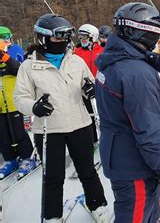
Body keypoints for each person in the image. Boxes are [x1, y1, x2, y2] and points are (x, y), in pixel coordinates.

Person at [13, 14, 109, 222]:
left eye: (66, 38)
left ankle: (98, 204)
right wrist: (34, 107)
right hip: (49, 129)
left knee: (87, 170)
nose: (64, 42)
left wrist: (90, 90)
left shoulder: (76, 61)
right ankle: (52, 215)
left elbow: (90, 84)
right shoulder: (28, 67)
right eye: (58, 38)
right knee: (53, 176)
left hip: (79, 124)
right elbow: (20, 98)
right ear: (43, 39)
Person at [94, 2, 160, 223]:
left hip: (126, 158)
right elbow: (147, 131)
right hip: (136, 166)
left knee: (145, 214)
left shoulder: (118, 61)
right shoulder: (135, 72)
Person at [0, 38, 36, 179]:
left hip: (14, 105)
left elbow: (19, 68)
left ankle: (27, 157)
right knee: (3, 136)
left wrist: (5, 58)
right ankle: (10, 159)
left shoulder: (11, 64)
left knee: (19, 133)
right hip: (1, 108)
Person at [74, 24, 103, 145]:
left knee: (101, 115)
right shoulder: (77, 52)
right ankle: (93, 140)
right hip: (84, 90)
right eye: (80, 36)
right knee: (88, 116)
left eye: (84, 36)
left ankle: (105, 139)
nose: (82, 39)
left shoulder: (101, 51)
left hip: (100, 89)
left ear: (93, 37)